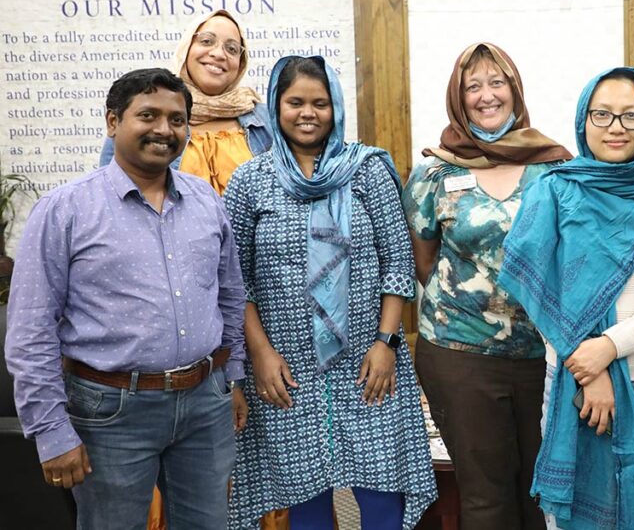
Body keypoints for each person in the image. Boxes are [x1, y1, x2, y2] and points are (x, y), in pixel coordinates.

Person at [5, 68, 247, 530]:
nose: (164, 129)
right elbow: (31, 330)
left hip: (205, 404)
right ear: (113, 122)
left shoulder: (206, 201)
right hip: (110, 412)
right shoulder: (65, 209)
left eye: (177, 119)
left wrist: (231, 378)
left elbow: (230, 294)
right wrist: (52, 430)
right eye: (148, 115)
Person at [223, 55, 436, 530]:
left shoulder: (368, 170)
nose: (308, 113)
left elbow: (397, 265)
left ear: (335, 107)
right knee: (307, 505)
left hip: (369, 364)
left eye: (320, 103)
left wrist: (387, 344)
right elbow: (236, 282)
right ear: (275, 107)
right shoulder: (249, 182)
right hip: (286, 367)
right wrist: (258, 354)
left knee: (383, 499)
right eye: (295, 101)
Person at [498, 67, 634, 530]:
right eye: (603, 114)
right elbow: (539, 291)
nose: (616, 127)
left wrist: (607, 348)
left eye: (631, 116)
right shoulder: (552, 190)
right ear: (583, 119)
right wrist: (588, 371)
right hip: (572, 381)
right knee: (566, 515)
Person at [402, 42, 571, 529]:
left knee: (544, 490)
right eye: (472, 86)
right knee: (485, 496)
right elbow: (424, 261)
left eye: (497, 82)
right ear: (458, 98)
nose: (486, 95)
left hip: (546, 355)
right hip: (461, 355)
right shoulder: (436, 170)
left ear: (515, 91)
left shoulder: (555, 167)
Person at [100, 9, 272, 188]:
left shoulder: (267, 120)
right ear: (186, 48)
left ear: (241, 63)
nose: (219, 54)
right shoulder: (141, 113)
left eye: (232, 49)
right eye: (206, 41)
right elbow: (111, 191)